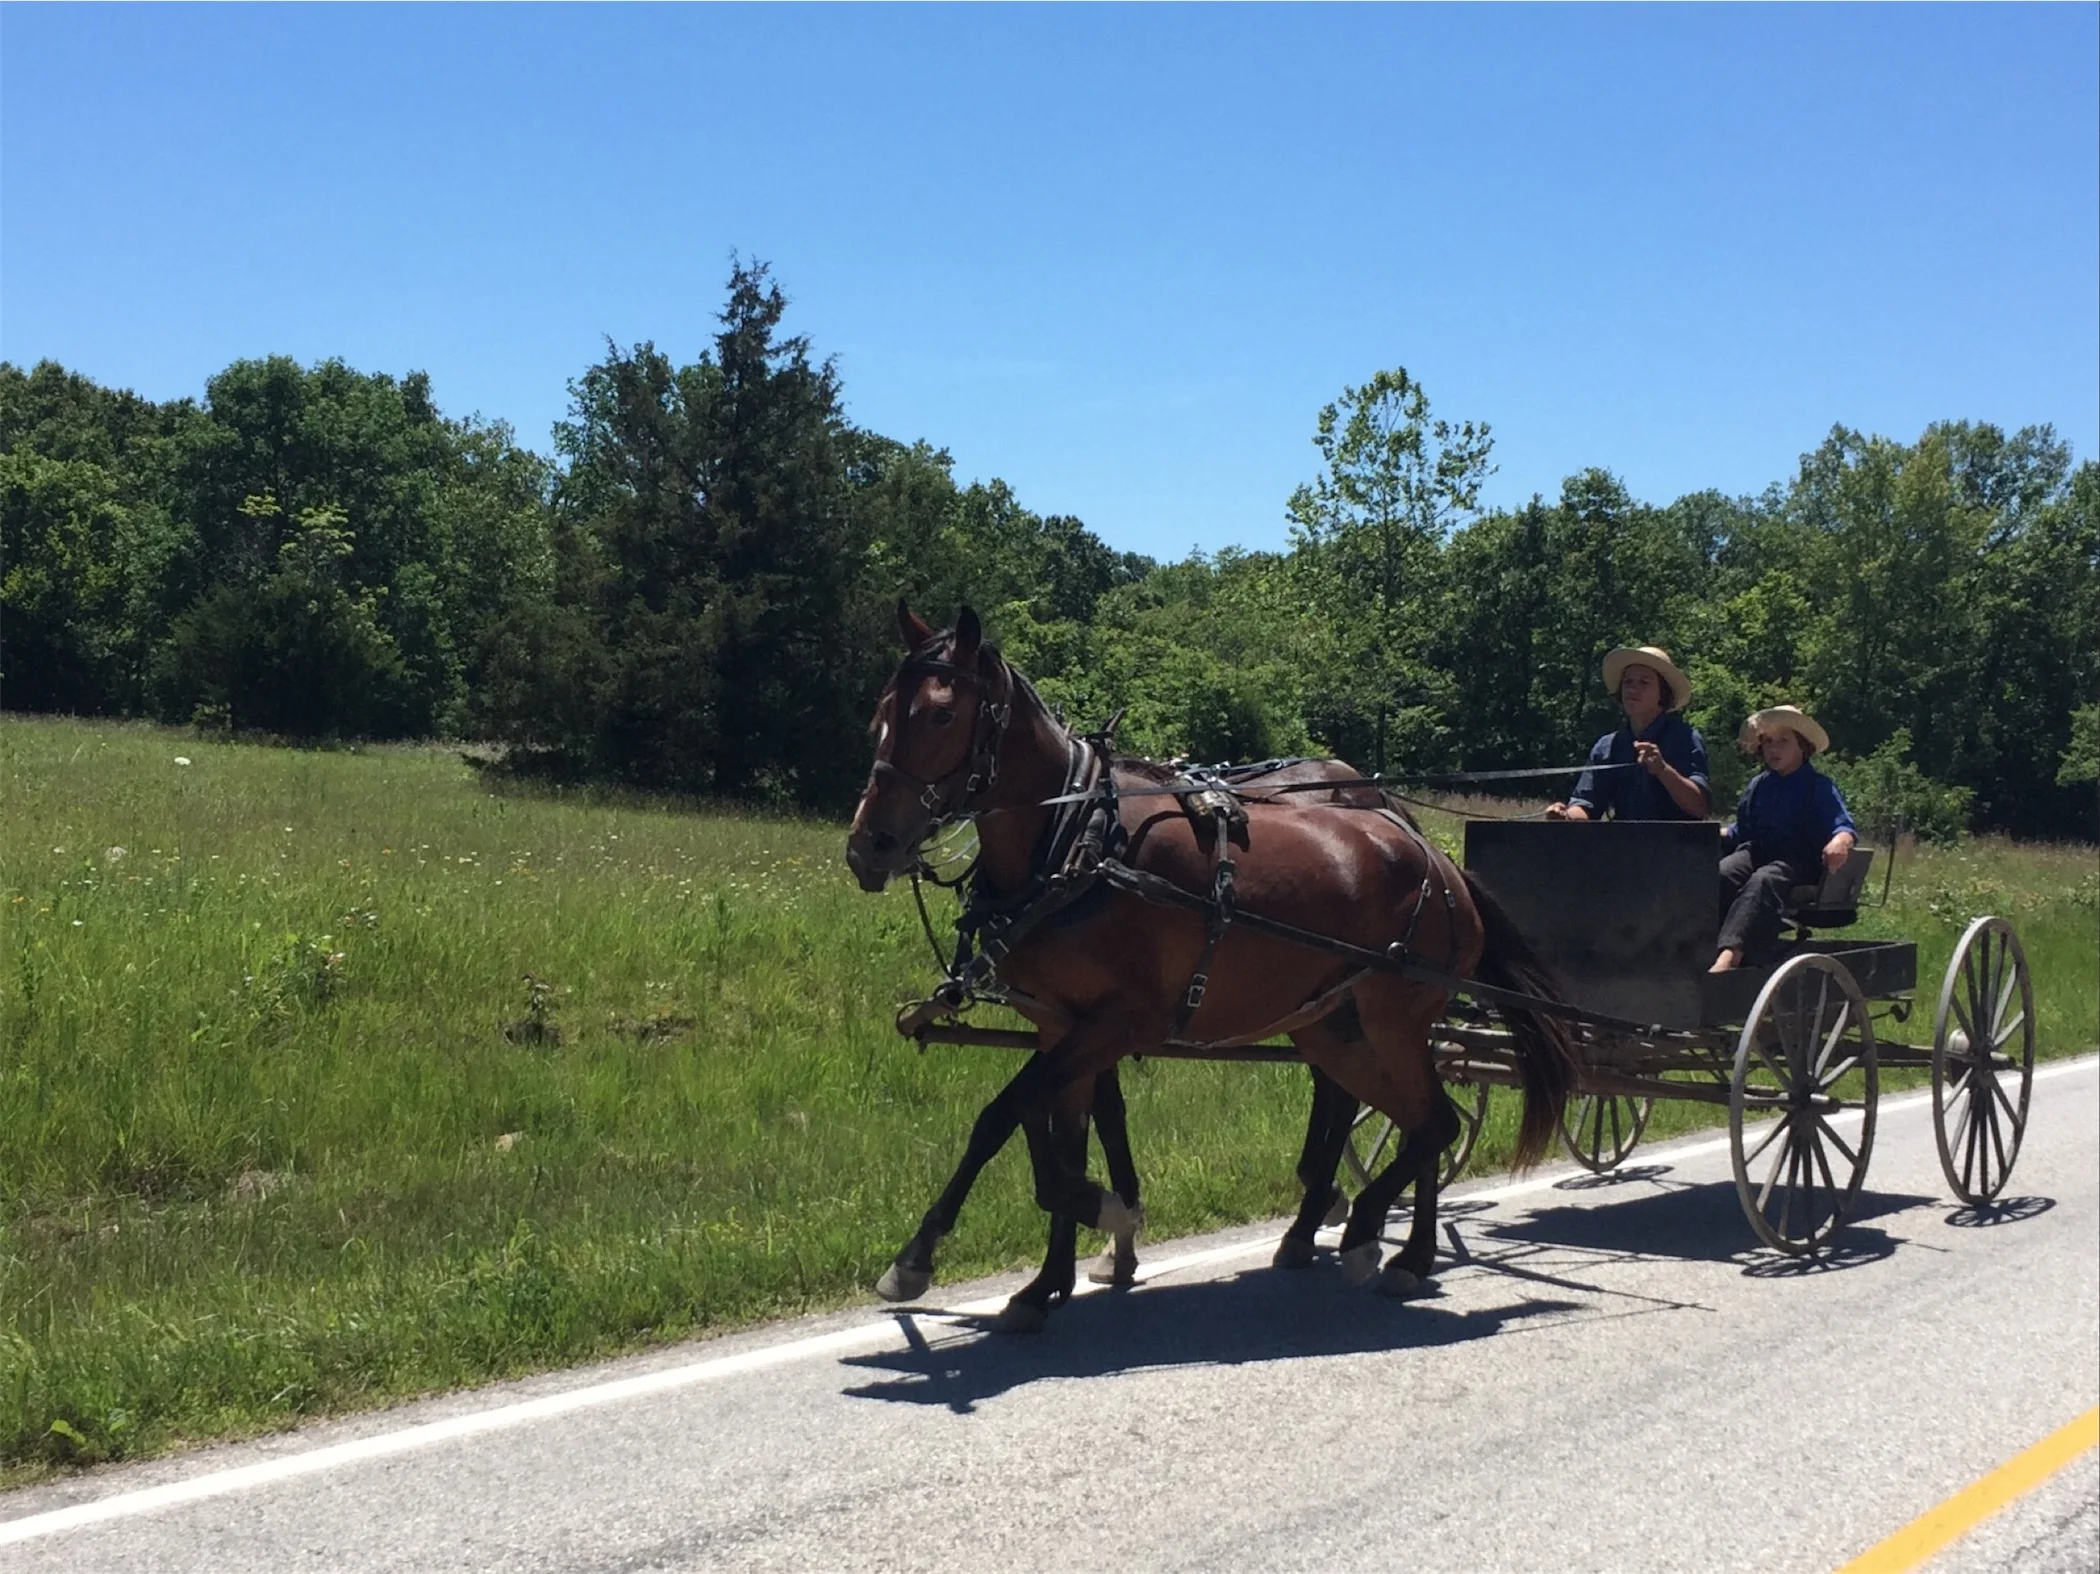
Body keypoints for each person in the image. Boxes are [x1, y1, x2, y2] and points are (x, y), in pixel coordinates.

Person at [1710, 705, 1858, 973]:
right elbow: (1741, 831)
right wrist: (1715, 833)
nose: (1773, 749)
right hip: (1757, 851)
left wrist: (1841, 841)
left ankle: (1730, 955)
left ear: (1802, 746)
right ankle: (1704, 944)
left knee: (1763, 881)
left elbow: (1843, 825)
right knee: (1720, 874)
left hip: (1798, 861)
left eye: (1783, 742)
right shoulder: (1759, 785)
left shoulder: (1818, 786)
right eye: (1768, 742)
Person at [1546, 645, 1711, 823]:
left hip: (1677, 846)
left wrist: (1663, 770)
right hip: (1622, 845)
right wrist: (1566, 816)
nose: (1633, 689)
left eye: (1644, 682)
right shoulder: (1607, 746)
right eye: (1628, 682)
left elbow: (1699, 807)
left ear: (1662, 693)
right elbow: (1587, 804)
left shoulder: (1684, 738)